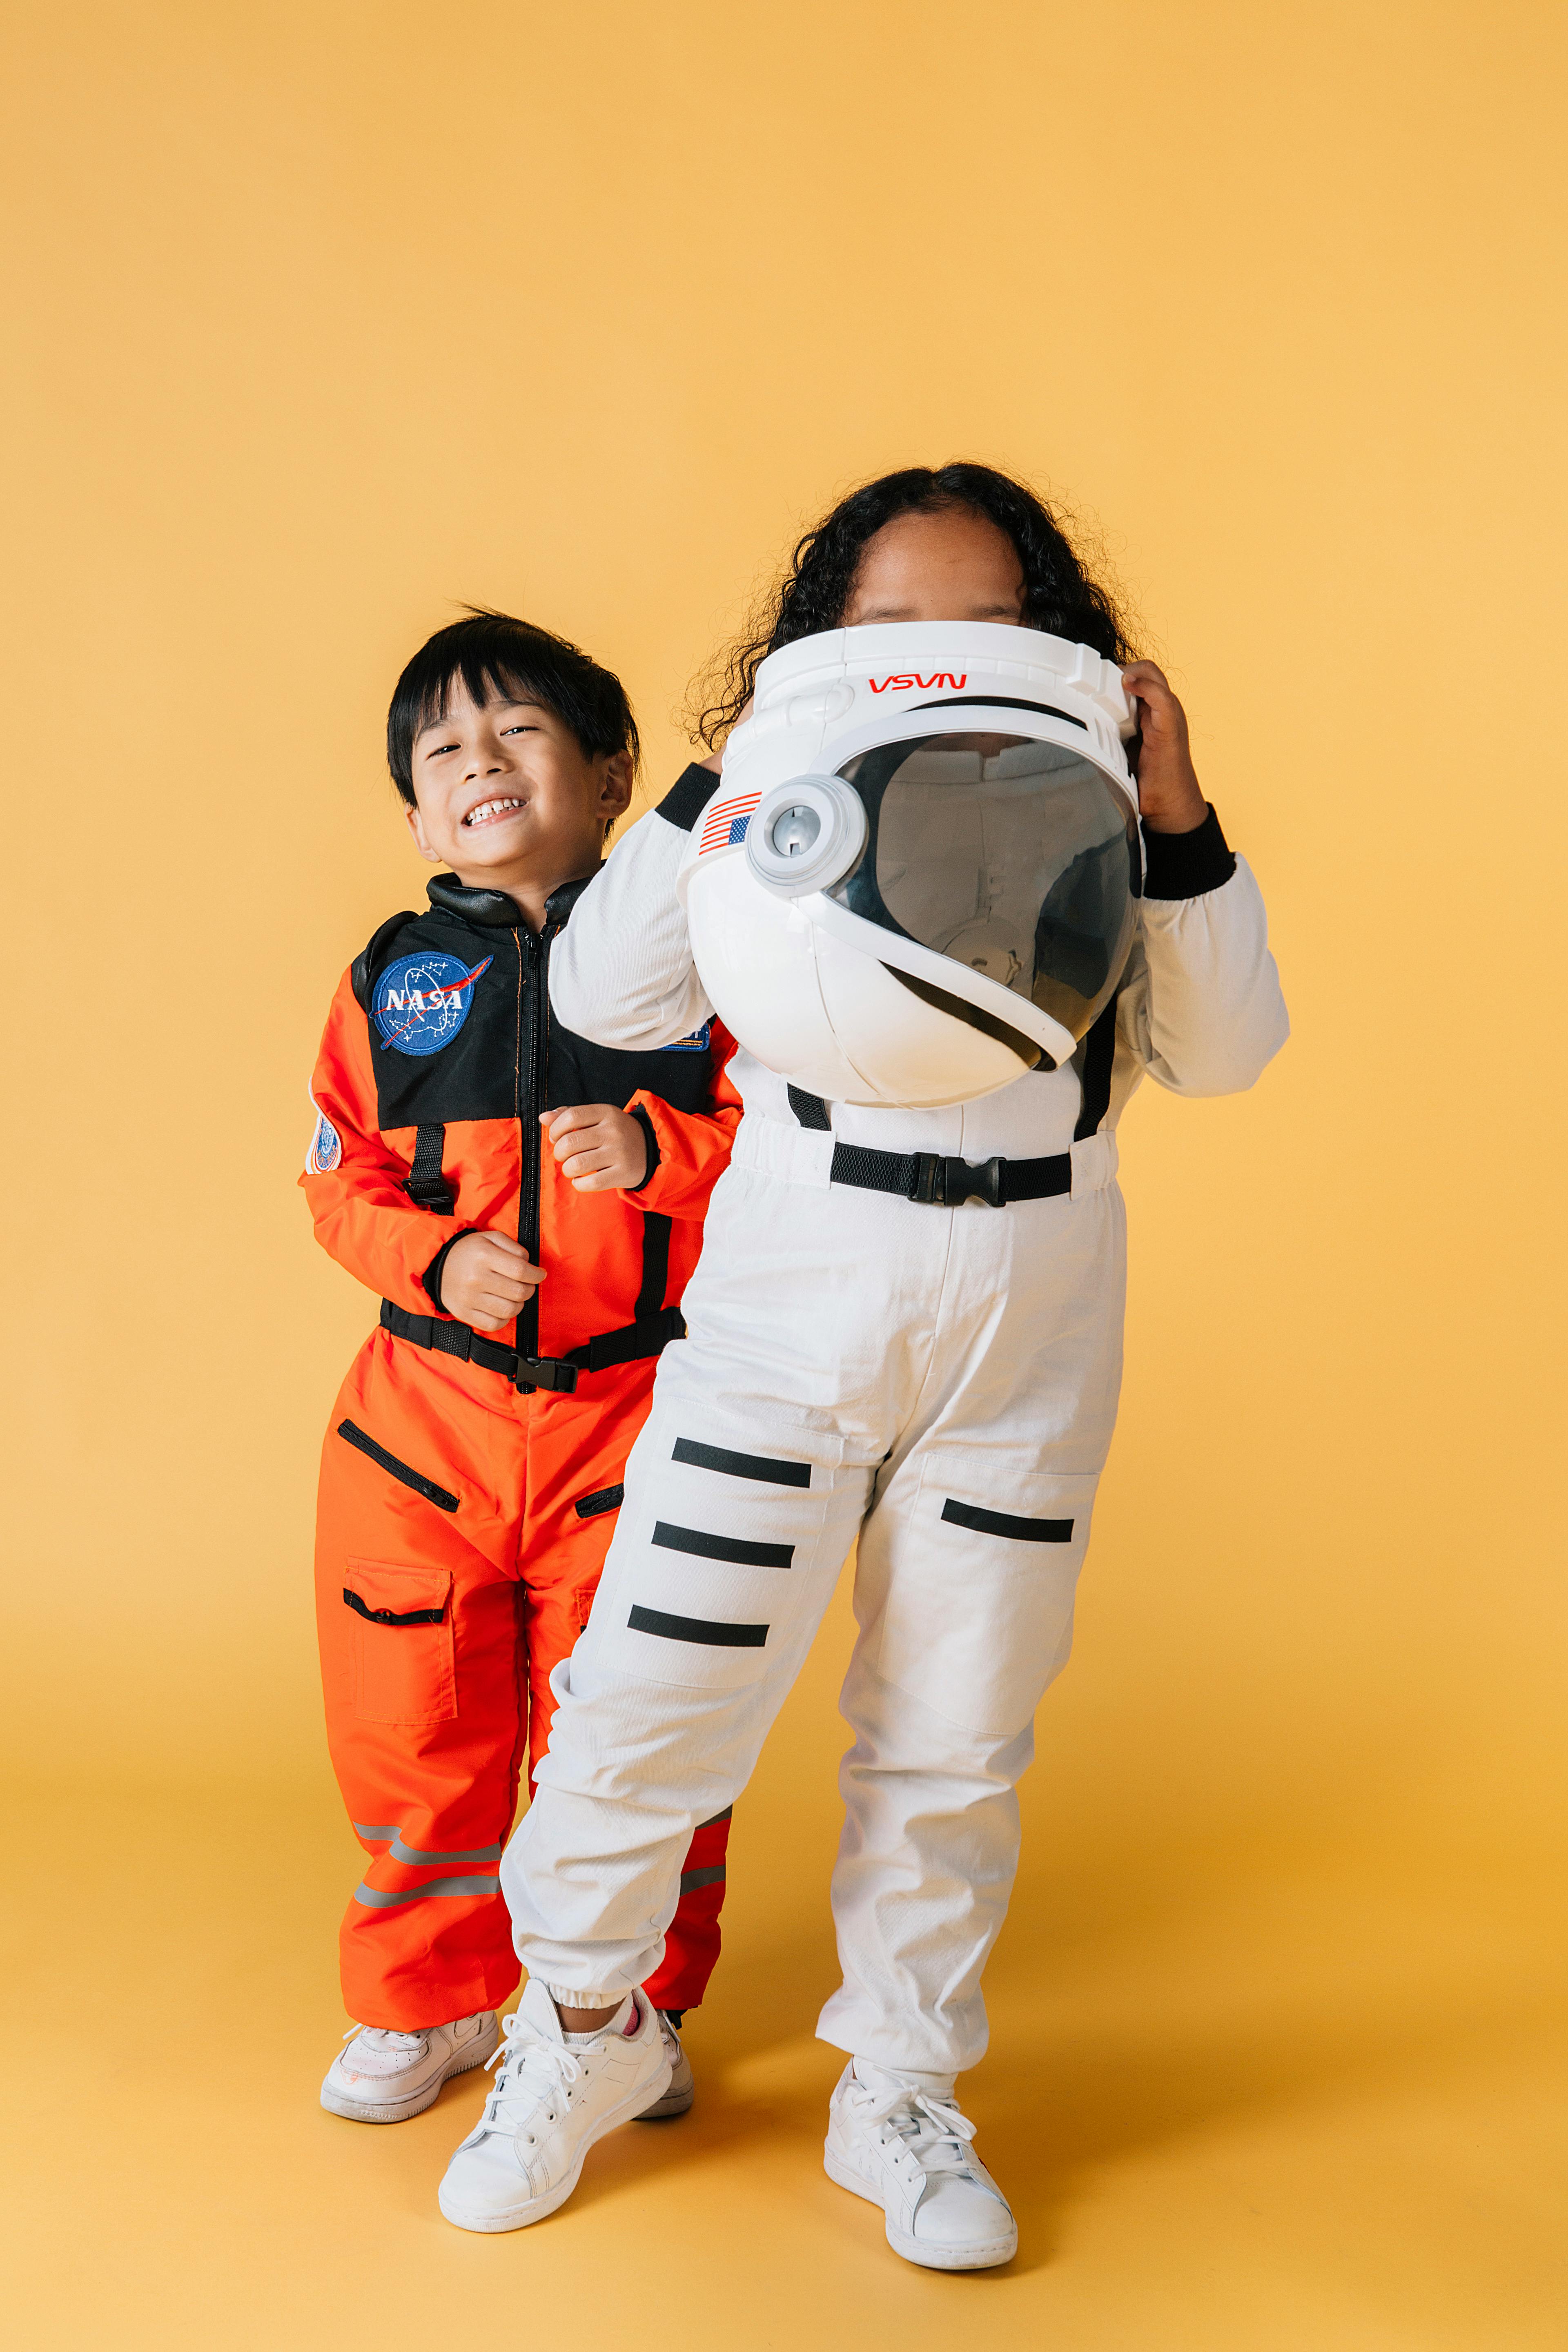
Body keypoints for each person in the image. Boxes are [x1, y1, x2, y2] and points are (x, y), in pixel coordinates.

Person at [437, 467, 1289, 2262]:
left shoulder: (1104, 818)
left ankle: (900, 2088)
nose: (930, 659)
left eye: (979, 624)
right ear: (823, 644)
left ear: (1054, 647)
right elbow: (608, 997)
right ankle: (581, 2030)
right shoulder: (766, 811)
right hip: (797, 1288)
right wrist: (729, 772)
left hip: (1037, 1314)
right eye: (884, 628)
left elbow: (1226, 1049)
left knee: (957, 1740)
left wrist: (1175, 805)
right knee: (652, 1695)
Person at [302, 611, 740, 2138]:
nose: (481, 764)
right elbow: (336, 1177)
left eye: (520, 733)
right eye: (444, 753)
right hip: (422, 1432)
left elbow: (797, 1140)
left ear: (613, 772)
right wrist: (431, 1265)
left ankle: (635, 2011)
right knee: (416, 1727)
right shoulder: (392, 980)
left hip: (641, 1421)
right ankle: (428, 2006)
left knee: (639, 1734)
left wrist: (660, 1150)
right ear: (419, 816)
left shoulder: (709, 952)